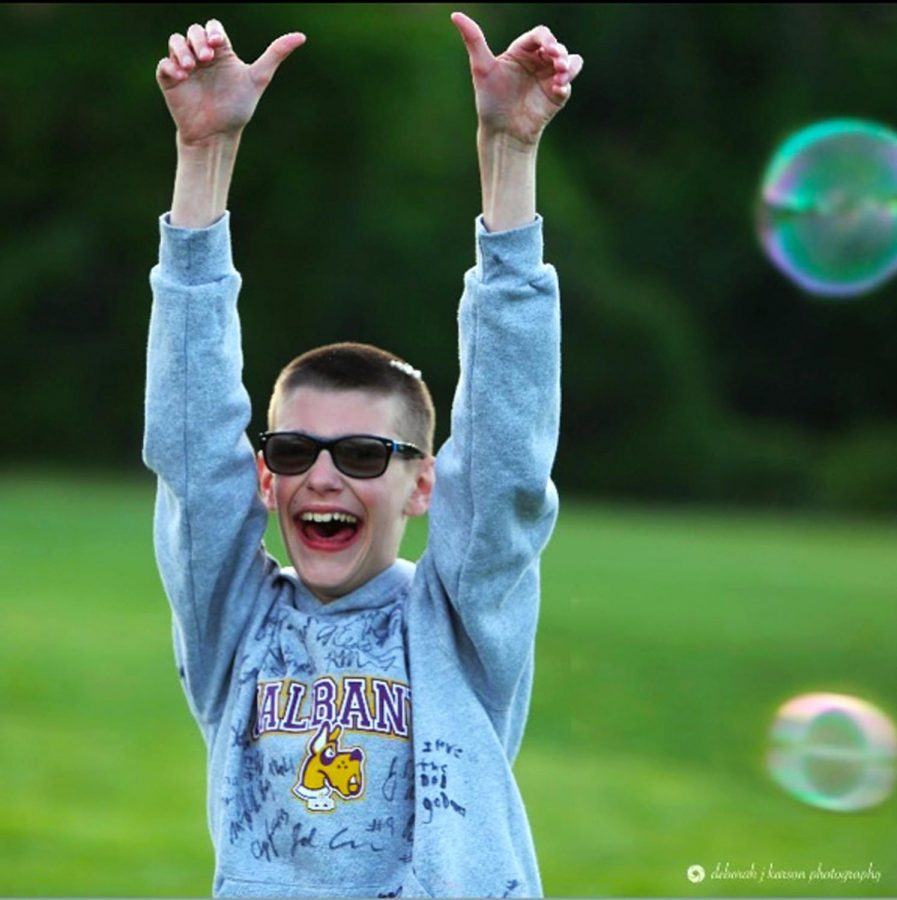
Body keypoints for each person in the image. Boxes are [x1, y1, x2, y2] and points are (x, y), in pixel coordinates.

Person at [144, 11, 582, 898]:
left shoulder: (460, 623)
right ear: (265, 476)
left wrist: (509, 156)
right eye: (297, 450)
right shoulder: (233, 619)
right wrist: (203, 158)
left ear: (426, 483)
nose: (325, 476)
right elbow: (192, 449)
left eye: (364, 454)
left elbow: (503, 469)